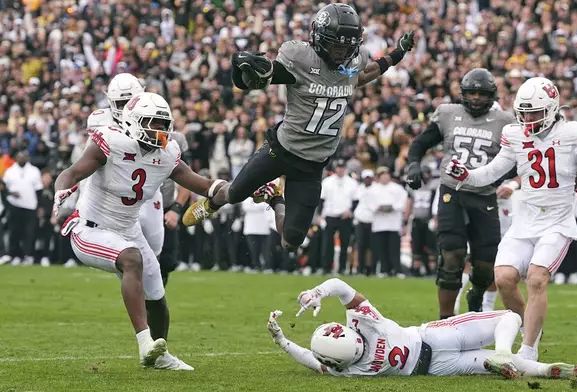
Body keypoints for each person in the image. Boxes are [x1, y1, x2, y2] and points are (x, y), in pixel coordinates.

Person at [181, 3, 416, 254]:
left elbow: (366, 73)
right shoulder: (302, 58)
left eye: (347, 47)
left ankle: (275, 197)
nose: (341, 53)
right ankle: (214, 200)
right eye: (337, 46)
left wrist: (397, 54)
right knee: (235, 193)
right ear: (320, 38)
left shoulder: (352, 64)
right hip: (281, 150)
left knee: (291, 242)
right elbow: (262, 78)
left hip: (312, 166)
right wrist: (246, 66)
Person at [444, 77, 577, 361]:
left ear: (552, 108)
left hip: (557, 221)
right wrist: (468, 175)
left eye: (534, 112)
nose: (528, 118)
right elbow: (492, 171)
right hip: (525, 221)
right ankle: (530, 326)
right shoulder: (515, 134)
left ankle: (529, 350)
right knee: (504, 279)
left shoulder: (573, 132)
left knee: (536, 279)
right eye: (524, 112)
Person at [52, 92, 219, 370]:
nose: (159, 130)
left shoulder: (167, 154)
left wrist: (239, 189)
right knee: (132, 259)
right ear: (132, 121)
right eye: (152, 122)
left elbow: (202, 184)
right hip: (90, 228)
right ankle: (144, 343)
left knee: (156, 290)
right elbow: (72, 172)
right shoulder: (111, 142)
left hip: (128, 230)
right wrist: (61, 189)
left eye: (163, 124)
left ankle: (159, 354)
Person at [266, 277, 577, 380]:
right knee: (510, 318)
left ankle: (505, 355)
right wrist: (317, 294)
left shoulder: (348, 368)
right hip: (435, 343)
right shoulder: (363, 322)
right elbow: (316, 358)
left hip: (432, 362)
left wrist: (283, 339)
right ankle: (552, 370)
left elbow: (313, 360)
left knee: (502, 341)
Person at [406, 68, 517, 319]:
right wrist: (413, 164)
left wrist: (508, 180)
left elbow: (517, 160)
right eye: (472, 92)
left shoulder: (505, 122)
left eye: (481, 93)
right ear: (463, 94)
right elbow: (420, 143)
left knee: (486, 263)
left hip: (484, 193)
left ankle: (476, 296)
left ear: (491, 95)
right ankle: (445, 320)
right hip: (452, 192)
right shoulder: (448, 114)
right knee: (452, 254)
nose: (476, 97)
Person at [85, 73, 191, 285]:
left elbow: (186, 176)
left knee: (159, 258)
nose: (125, 108)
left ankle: (152, 302)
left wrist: (177, 208)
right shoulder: (101, 124)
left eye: (129, 101)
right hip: (118, 200)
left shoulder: (170, 140)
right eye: (121, 103)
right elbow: (85, 167)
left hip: (155, 198)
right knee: (129, 258)